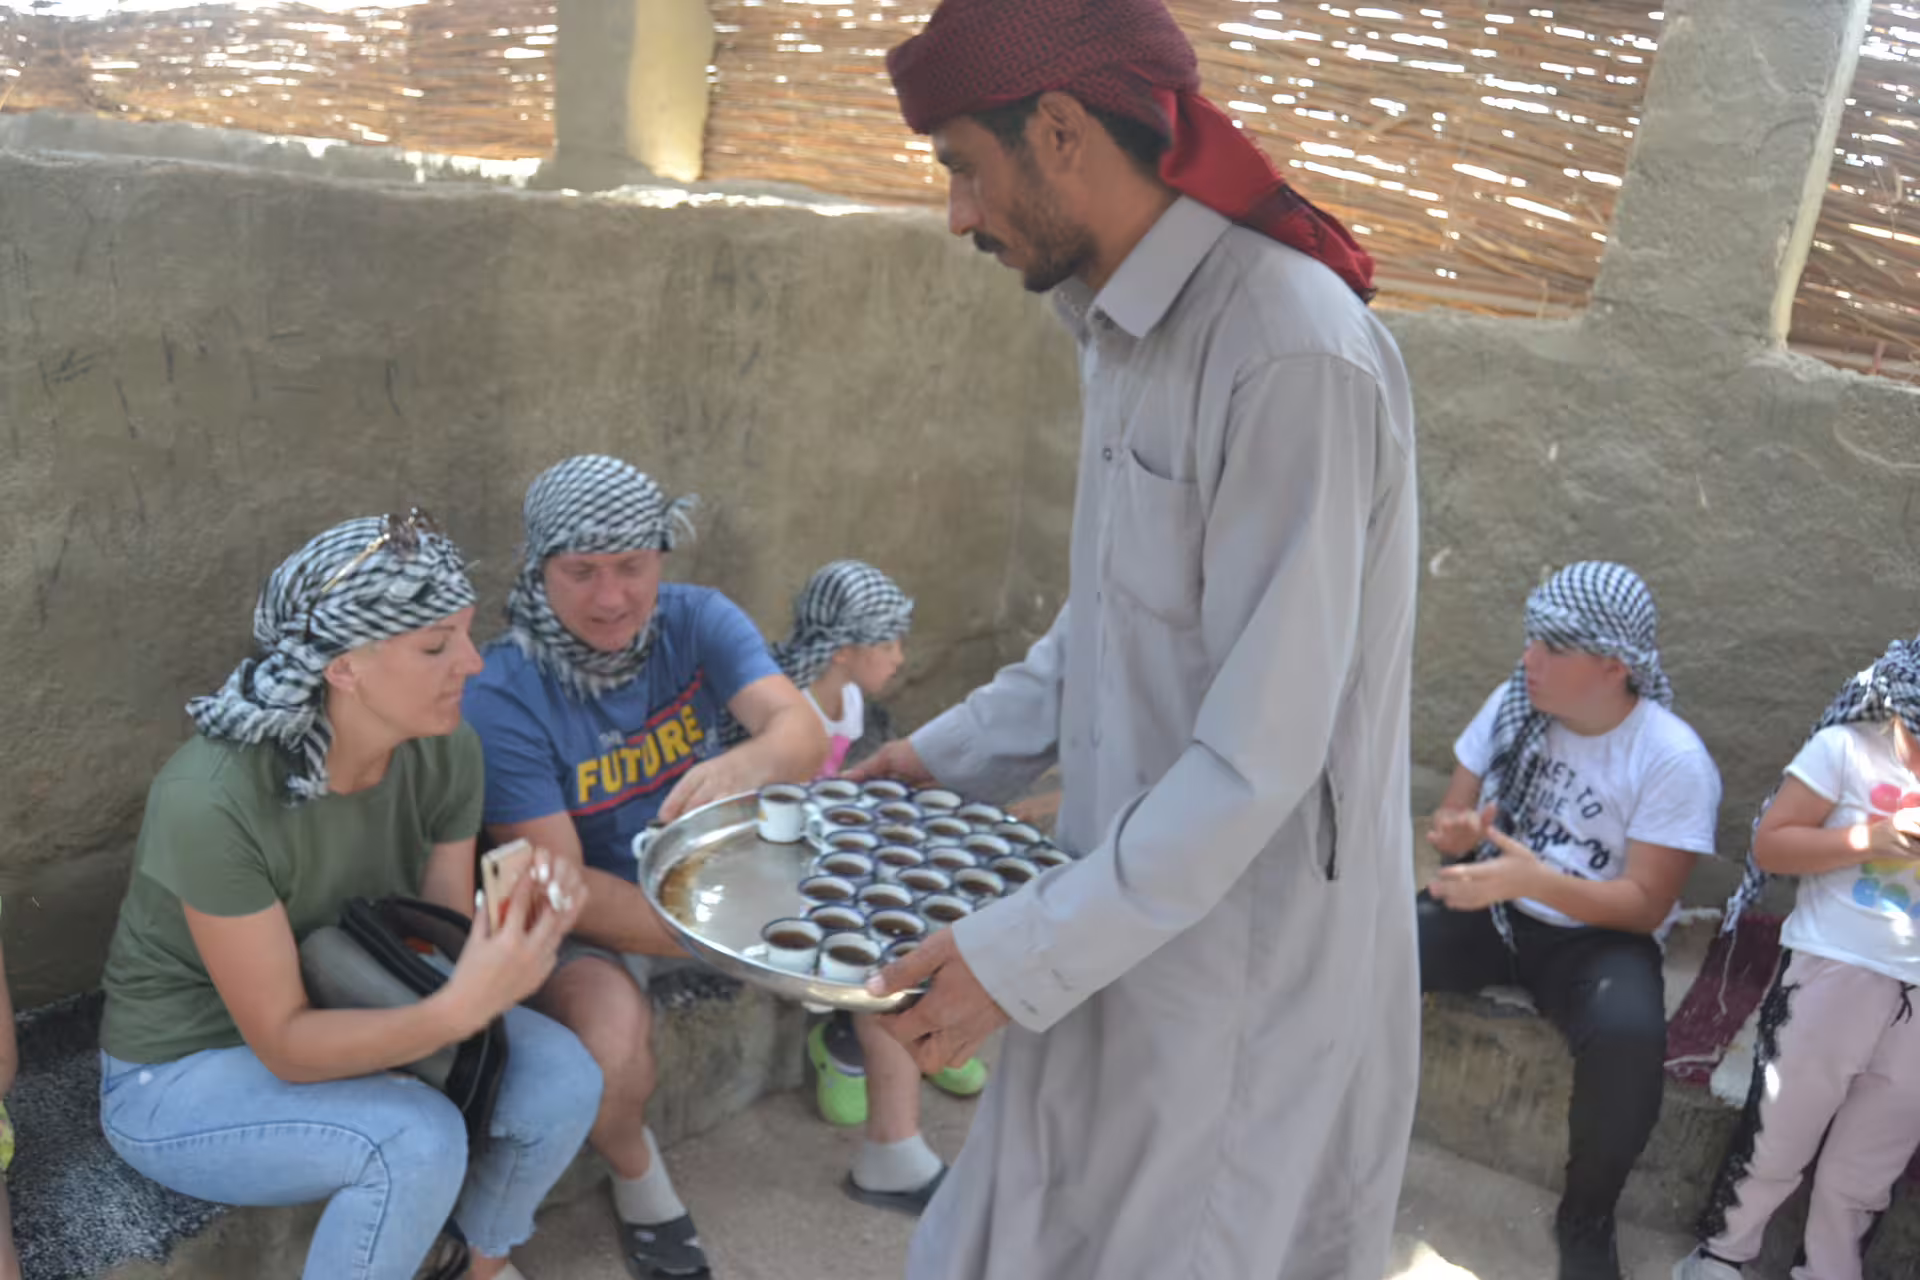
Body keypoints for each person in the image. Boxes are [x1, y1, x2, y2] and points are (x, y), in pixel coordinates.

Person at [850, 0, 1422, 1273]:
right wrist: (940, 758)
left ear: (1057, 130)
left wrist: (1020, 955)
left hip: (1234, 966)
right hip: (1114, 899)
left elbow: (1258, 757)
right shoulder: (1120, 325)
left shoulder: (1289, 353)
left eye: (961, 167)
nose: (956, 215)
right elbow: (1108, 625)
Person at [97, 512, 601, 1280]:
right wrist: (459, 1009)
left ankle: (478, 1264)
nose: (470, 662)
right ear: (343, 668)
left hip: (355, 996)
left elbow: (433, 941)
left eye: (466, 633)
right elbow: (286, 1045)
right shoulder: (210, 798)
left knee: (565, 1077)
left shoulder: (446, 747)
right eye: (435, 646)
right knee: (412, 1142)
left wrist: (513, 919)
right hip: (184, 1070)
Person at [463, 455, 827, 1280]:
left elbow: (798, 733)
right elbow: (562, 885)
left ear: (662, 557)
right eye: (580, 571)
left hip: (697, 881)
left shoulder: (697, 621)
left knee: (867, 900)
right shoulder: (503, 690)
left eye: (631, 566)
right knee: (611, 1038)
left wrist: (746, 764)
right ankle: (637, 1170)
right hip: (575, 918)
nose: (611, 597)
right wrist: (725, 944)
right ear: (538, 568)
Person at [1422, 561, 1721, 1280]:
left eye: (1551, 648)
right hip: (1497, 903)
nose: (1528, 659)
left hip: (1598, 937)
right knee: (1375, 951)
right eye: (1531, 641)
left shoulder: (1671, 758)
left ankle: (1586, 1214)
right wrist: (1459, 836)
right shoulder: (1514, 703)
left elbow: (1647, 902)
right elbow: (1452, 818)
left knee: (1627, 1047)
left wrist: (1539, 879)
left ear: (1614, 667)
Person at [1675, 638, 1920, 1280]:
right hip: (1831, 970)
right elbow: (1774, 846)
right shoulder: (1846, 750)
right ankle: (1724, 1254)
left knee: (1868, 1167)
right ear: (1897, 712)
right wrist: (1868, 838)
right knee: (1779, 1133)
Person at [746, 560, 986, 1212]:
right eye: (888, 643)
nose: (901, 658)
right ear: (844, 651)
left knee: (921, 903)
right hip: (786, 866)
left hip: (840, 859)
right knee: (883, 948)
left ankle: (924, 1038)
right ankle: (889, 1127)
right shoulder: (782, 707)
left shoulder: (855, 705)